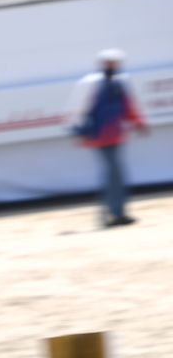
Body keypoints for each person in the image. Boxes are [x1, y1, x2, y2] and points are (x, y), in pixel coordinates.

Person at [68, 49, 150, 228]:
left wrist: (139, 123)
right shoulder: (90, 83)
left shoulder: (120, 82)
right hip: (98, 135)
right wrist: (77, 131)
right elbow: (77, 108)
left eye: (115, 63)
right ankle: (114, 214)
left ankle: (113, 213)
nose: (112, 66)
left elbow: (128, 106)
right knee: (113, 174)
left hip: (116, 135)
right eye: (109, 62)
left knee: (115, 175)